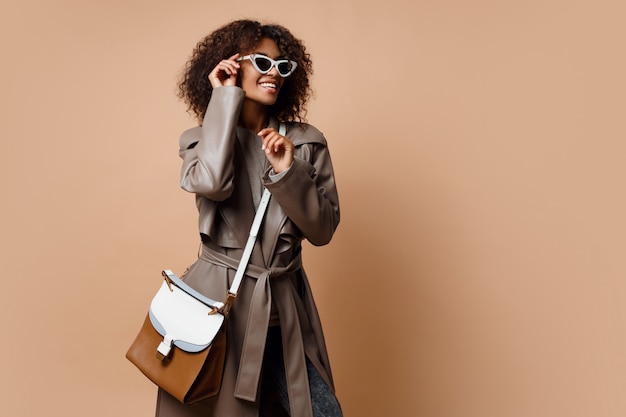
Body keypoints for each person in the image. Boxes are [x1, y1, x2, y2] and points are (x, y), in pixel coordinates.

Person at [155, 19, 342, 417]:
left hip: (285, 308)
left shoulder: (306, 143)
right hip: (218, 310)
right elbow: (213, 183)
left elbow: (323, 230)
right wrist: (223, 102)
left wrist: (288, 172)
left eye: (282, 65)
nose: (274, 72)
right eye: (261, 62)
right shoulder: (199, 140)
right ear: (232, 65)